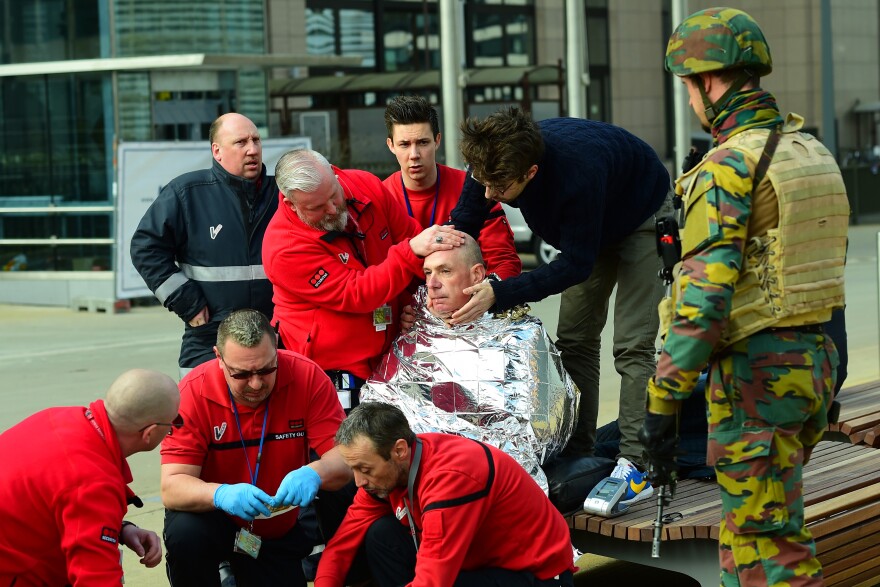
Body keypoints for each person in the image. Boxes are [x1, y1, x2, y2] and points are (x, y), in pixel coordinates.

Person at [639, 8, 849, 587]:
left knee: (770, 546)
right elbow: (827, 273)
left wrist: (662, 403)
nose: (689, 102)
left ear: (707, 80)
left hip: (757, 376)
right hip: (815, 367)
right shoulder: (810, 153)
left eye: (687, 88)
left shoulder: (728, 166)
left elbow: (701, 302)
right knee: (747, 535)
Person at [448, 106, 672, 495]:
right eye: (482, 182)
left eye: (499, 190)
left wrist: (500, 293)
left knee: (632, 345)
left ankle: (636, 463)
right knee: (574, 338)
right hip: (592, 223)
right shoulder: (489, 160)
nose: (489, 194)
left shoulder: (576, 175)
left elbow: (575, 266)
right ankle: (579, 452)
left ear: (530, 173)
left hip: (641, 214)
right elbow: (465, 222)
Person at [361, 235, 578, 492]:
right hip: (413, 484)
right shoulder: (416, 328)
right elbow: (377, 408)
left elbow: (538, 433)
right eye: (428, 272)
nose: (432, 284)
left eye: (445, 271)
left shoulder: (519, 337)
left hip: (482, 485)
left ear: (477, 276)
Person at [160, 309, 353, 585]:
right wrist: (220, 494)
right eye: (241, 374)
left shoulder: (307, 376)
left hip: (273, 526)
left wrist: (315, 472)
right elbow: (172, 486)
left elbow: (345, 459)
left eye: (266, 369)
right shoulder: (193, 392)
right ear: (218, 358)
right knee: (186, 533)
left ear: (276, 345)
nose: (256, 383)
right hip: (213, 518)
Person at [262, 148, 466, 409]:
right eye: (317, 207)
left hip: (389, 353)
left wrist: (419, 301)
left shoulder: (365, 185)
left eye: (334, 195)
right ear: (291, 204)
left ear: (335, 172)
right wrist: (410, 251)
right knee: (349, 446)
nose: (333, 209)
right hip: (331, 369)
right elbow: (357, 293)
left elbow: (409, 235)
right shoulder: (283, 248)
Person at [314, 402, 576, 587]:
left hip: (534, 576)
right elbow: (340, 548)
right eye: (354, 470)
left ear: (399, 450)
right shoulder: (388, 472)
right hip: (473, 567)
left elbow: (433, 582)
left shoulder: (451, 479)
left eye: (365, 469)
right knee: (381, 534)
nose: (358, 482)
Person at [0, 369, 179, 585]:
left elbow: (51, 498)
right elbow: (96, 579)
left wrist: (119, 528)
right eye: (174, 422)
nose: (175, 428)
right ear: (148, 433)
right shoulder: (93, 482)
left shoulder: (61, 417)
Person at [131, 113, 277, 377]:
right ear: (217, 151)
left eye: (256, 140)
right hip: (210, 337)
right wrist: (185, 301)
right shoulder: (187, 193)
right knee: (197, 414)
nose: (253, 149)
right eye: (241, 142)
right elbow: (146, 248)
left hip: (276, 336)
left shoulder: (281, 193)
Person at [383, 95, 521, 280]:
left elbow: (504, 261)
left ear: (437, 140)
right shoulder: (380, 197)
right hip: (405, 308)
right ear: (391, 145)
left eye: (423, 142)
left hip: (468, 303)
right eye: (404, 145)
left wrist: (479, 299)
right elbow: (377, 269)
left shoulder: (474, 186)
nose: (414, 154)